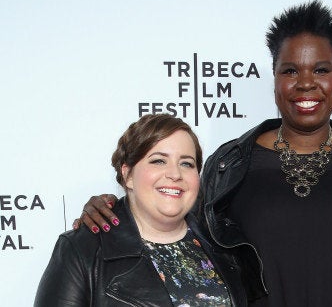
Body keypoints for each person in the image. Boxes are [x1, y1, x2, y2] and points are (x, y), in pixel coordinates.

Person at [75, 0, 332, 307]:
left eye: (320, 69)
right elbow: (175, 236)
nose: (305, 83)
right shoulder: (229, 165)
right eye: (290, 70)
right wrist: (114, 211)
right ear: (274, 79)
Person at [36, 114, 248, 306]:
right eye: (158, 161)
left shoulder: (223, 244)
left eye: (186, 164)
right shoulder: (82, 250)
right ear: (127, 175)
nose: (175, 173)